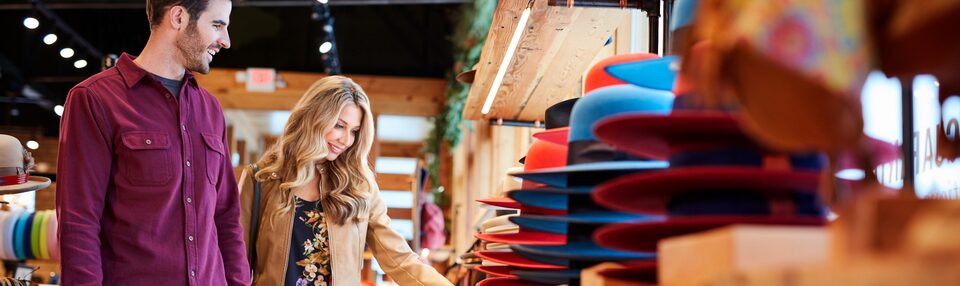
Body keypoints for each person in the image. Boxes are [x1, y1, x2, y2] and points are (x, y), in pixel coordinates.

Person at [56, 0, 249, 285]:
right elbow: (78, 222)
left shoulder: (210, 109)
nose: (226, 41)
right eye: (217, 25)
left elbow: (226, 217)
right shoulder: (95, 99)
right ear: (179, 17)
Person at [239, 76, 452, 286]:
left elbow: (399, 259)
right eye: (339, 126)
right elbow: (233, 262)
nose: (346, 140)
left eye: (354, 131)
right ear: (314, 117)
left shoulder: (360, 187)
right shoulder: (260, 180)